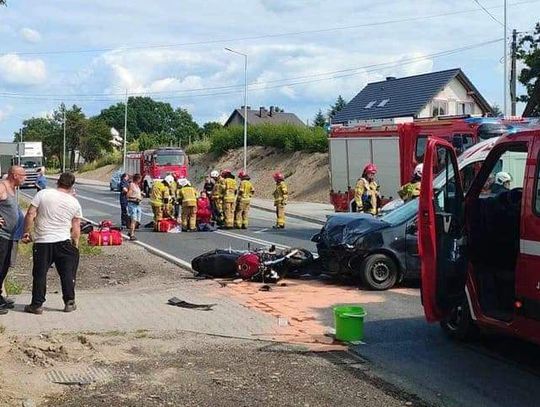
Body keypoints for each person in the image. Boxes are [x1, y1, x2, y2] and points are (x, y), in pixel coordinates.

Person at [21, 172, 82, 315]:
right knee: (66, 273)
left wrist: (26, 232)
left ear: (58, 182)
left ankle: (36, 305)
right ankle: (69, 302)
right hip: (63, 241)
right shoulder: (74, 202)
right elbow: (76, 226)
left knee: (40, 273)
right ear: (72, 186)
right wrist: (75, 244)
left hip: (43, 241)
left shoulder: (43, 194)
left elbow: (30, 214)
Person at [0, 166, 26, 315]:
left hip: (11, 235)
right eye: (23, 175)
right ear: (15, 175)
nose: (25, 178)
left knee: (4, 267)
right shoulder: (2, 186)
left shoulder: (13, 189)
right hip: (1, 235)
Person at [127, 174, 143, 241]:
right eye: (140, 179)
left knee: (138, 220)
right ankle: (132, 235)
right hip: (132, 204)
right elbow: (128, 195)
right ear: (138, 179)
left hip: (138, 204)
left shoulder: (137, 186)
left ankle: (130, 232)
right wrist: (135, 198)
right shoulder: (132, 185)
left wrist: (141, 194)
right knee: (134, 219)